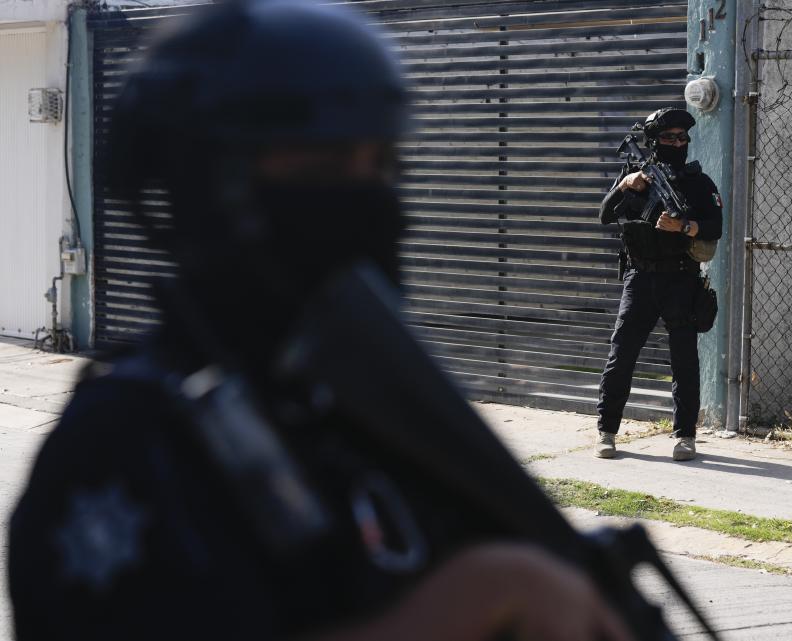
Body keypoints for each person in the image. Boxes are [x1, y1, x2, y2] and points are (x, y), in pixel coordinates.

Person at [6, 2, 652, 641]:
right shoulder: (125, 442)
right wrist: (470, 601)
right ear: (201, 184)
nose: (372, 200)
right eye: (323, 167)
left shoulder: (349, 411)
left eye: (381, 167)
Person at [594, 108, 723, 461]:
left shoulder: (698, 183)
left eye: (683, 138)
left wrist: (683, 227)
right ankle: (606, 431)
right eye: (669, 138)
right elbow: (604, 215)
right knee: (622, 354)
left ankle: (685, 436)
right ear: (653, 141)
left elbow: (715, 227)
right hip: (640, 277)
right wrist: (624, 184)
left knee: (684, 360)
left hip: (681, 278)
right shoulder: (635, 176)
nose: (678, 143)